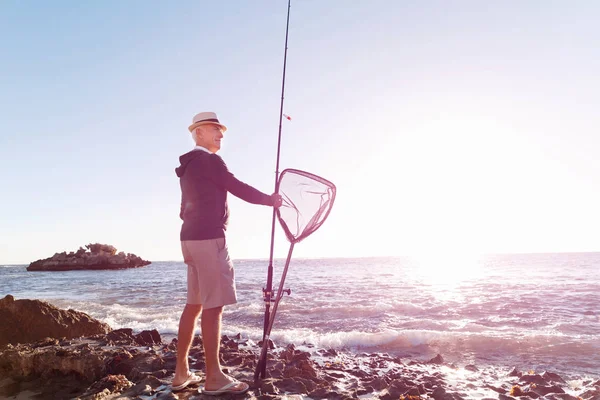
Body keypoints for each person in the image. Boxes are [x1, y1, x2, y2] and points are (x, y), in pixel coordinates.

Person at [172, 111, 282, 395]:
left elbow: (185, 207)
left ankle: (181, 372)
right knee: (213, 306)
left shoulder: (189, 166)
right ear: (198, 133)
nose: (221, 135)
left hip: (190, 240)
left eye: (221, 130)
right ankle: (214, 377)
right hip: (209, 240)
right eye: (214, 129)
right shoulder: (210, 160)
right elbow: (235, 186)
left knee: (195, 304)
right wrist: (270, 201)